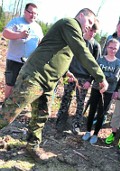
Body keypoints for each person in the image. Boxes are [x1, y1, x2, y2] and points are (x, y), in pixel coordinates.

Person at [0, 8, 108, 163]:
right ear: (81, 16)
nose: (89, 27)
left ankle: (32, 146)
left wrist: (65, 72)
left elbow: (56, 53)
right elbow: (81, 51)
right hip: (35, 76)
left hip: (48, 82)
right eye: (89, 22)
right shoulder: (70, 23)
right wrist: (100, 76)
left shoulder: (71, 32)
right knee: (9, 112)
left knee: (40, 116)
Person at [56, 20, 101, 135]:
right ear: (87, 28)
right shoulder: (77, 39)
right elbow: (67, 56)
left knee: (80, 102)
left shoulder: (96, 46)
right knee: (66, 98)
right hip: (70, 74)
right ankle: (61, 120)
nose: (92, 33)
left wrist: (90, 80)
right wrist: (67, 72)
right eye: (91, 30)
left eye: (95, 32)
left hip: (84, 78)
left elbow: (96, 64)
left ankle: (76, 124)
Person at [82, 38, 120, 144]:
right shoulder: (100, 60)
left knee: (101, 113)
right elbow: (94, 72)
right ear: (107, 47)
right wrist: (93, 79)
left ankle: (95, 134)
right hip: (96, 88)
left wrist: (101, 78)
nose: (112, 50)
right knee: (92, 110)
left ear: (117, 50)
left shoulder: (118, 63)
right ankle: (87, 131)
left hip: (108, 91)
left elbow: (115, 78)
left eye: (115, 48)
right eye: (110, 47)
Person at [2, 3, 43, 99]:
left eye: (36, 14)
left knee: (23, 88)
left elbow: (41, 43)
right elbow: (5, 33)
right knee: (10, 85)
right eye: (31, 12)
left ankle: (15, 109)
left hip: (28, 63)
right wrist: (20, 35)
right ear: (25, 12)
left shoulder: (38, 28)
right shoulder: (16, 21)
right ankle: (5, 108)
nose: (33, 15)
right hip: (14, 60)